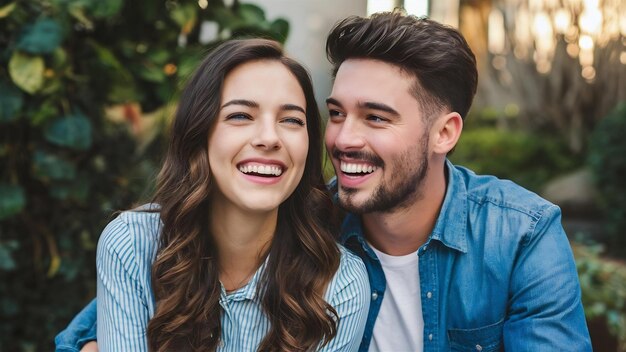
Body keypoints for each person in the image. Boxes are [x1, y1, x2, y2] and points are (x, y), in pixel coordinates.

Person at [57, 11, 592, 352]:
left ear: (445, 132)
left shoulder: (519, 235)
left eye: (376, 118)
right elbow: (108, 320)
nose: (343, 139)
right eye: (335, 113)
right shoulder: (296, 218)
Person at [56, 38, 370, 352]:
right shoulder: (132, 244)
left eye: (291, 120)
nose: (269, 138)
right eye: (240, 116)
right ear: (200, 133)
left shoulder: (340, 283)